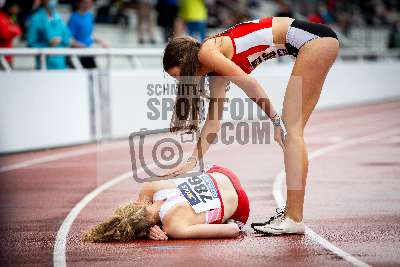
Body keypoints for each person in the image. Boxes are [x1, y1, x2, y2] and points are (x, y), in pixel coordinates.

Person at [161, 17, 339, 235]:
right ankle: (292, 214)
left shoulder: (207, 52)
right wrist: (192, 160)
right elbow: (213, 121)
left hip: (314, 41)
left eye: (179, 75)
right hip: (314, 42)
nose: (183, 82)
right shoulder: (213, 69)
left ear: (185, 61)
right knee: (292, 132)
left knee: (290, 131)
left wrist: (275, 121)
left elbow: (250, 84)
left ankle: (294, 217)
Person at [83, 165, 250, 241]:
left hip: (240, 205)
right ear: (135, 206)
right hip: (223, 173)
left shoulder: (173, 228)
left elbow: (233, 229)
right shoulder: (150, 186)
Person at [26, 0, 71, 70]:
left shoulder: (58, 18)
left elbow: (66, 38)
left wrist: (61, 40)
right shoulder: (36, 18)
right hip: (44, 65)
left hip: (60, 64)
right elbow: (31, 43)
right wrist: (47, 45)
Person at [68, 0, 109, 69]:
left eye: (90, 3)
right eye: (86, 3)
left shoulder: (89, 16)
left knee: (94, 73)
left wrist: (101, 42)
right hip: (79, 53)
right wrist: (78, 45)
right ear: (80, 4)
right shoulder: (74, 18)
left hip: (88, 51)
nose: (88, 5)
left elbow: (89, 34)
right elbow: (69, 38)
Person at [0, 0, 22, 66]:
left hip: (8, 55)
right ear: (9, 8)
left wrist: (12, 30)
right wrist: (12, 31)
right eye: (15, 7)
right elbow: (4, 34)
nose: (17, 9)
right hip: (2, 55)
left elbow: (18, 31)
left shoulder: (12, 17)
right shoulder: (1, 17)